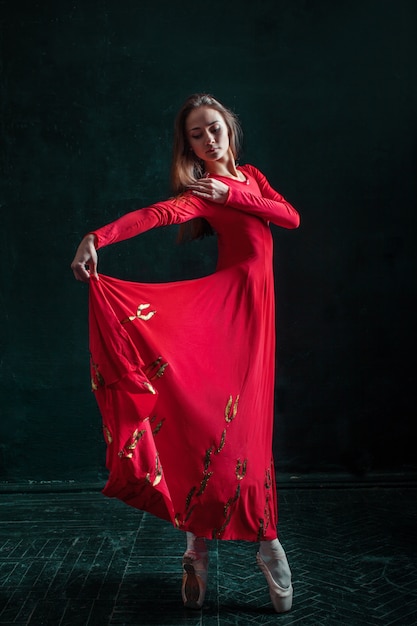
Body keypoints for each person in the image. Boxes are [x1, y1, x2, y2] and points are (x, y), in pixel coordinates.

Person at [71, 93, 300, 613]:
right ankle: (210, 548)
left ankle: (256, 541)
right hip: (224, 314)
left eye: (214, 127)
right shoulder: (202, 193)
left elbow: (290, 218)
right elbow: (155, 214)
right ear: (190, 145)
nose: (209, 138)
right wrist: (96, 237)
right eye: (197, 133)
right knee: (212, 423)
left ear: (229, 129)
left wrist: (234, 191)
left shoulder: (251, 179)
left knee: (250, 428)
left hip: (257, 318)